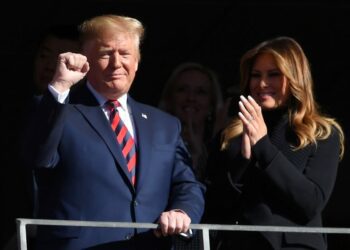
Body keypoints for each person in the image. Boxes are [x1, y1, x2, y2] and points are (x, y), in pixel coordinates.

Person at [21, 14, 205, 250]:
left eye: (125, 54)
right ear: (85, 59)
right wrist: (59, 87)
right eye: (106, 53)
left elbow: (187, 184)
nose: (117, 63)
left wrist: (182, 211)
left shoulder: (165, 125)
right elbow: (36, 157)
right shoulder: (60, 109)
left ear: (137, 62)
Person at [204, 36, 345, 250]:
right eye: (255, 75)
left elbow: (311, 203)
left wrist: (264, 147)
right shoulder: (230, 135)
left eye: (274, 75)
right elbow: (212, 206)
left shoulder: (321, 134)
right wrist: (242, 161)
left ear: (295, 77)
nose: (262, 84)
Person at [1, 24, 81, 250]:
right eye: (45, 55)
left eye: (63, 59)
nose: (50, 66)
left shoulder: (92, 122)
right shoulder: (12, 116)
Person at [159, 62, 225, 183]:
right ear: (169, 98)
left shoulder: (223, 151)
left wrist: (198, 157)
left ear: (212, 104)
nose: (191, 98)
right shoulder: (152, 143)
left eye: (201, 92)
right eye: (182, 90)